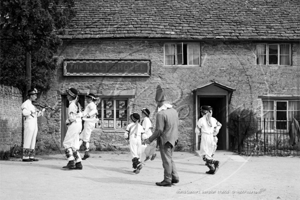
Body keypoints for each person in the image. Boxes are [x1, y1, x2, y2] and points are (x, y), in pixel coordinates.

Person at [144, 85, 179, 187]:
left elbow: (159, 130)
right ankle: (175, 177)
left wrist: (149, 140)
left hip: (165, 140)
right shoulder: (174, 111)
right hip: (174, 138)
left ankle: (167, 179)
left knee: (166, 160)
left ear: (159, 102)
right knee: (170, 158)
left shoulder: (161, 114)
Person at [195, 105, 222, 175]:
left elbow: (197, 130)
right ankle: (212, 169)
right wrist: (216, 131)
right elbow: (219, 125)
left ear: (202, 112)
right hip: (212, 137)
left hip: (205, 137)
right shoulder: (213, 119)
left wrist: (199, 134)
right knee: (209, 154)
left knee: (204, 155)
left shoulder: (201, 120)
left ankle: (215, 162)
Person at [21, 88, 45, 162]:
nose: (36, 97)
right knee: (28, 139)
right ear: (30, 95)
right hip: (29, 123)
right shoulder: (26, 103)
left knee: (33, 139)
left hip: (34, 123)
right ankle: (25, 156)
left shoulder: (32, 104)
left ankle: (31, 156)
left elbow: (36, 115)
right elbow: (24, 113)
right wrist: (32, 111)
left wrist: (41, 111)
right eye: (34, 95)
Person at [62, 88, 83, 170]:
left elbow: (71, 118)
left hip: (74, 124)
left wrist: (67, 122)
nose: (67, 96)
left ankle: (71, 161)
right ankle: (78, 162)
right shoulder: (78, 104)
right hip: (79, 124)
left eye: (68, 95)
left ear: (71, 96)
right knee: (74, 145)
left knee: (66, 143)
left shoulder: (71, 105)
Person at [80, 93, 98, 160]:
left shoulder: (91, 105)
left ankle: (86, 152)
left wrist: (88, 115)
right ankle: (75, 151)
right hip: (88, 122)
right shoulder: (89, 105)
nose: (86, 99)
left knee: (86, 138)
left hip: (89, 122)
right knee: (81, 137)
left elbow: (94, 111)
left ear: (90, 99)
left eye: (87, 98)